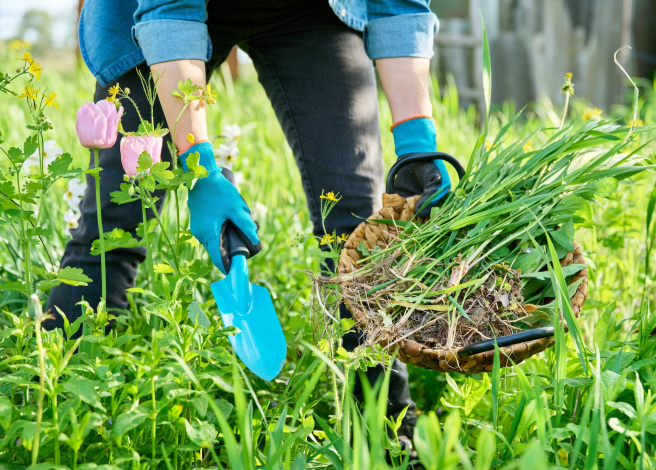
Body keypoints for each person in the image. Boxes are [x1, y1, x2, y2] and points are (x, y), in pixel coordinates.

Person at [46, 0, 452, 452]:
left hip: (311, 12)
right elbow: (171, 10)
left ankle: (388, 443)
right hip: (162, 16)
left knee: (356, 231)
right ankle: (62, 423)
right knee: (113, 223)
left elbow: (396, 4)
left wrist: (417, 142)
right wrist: (199, 167)